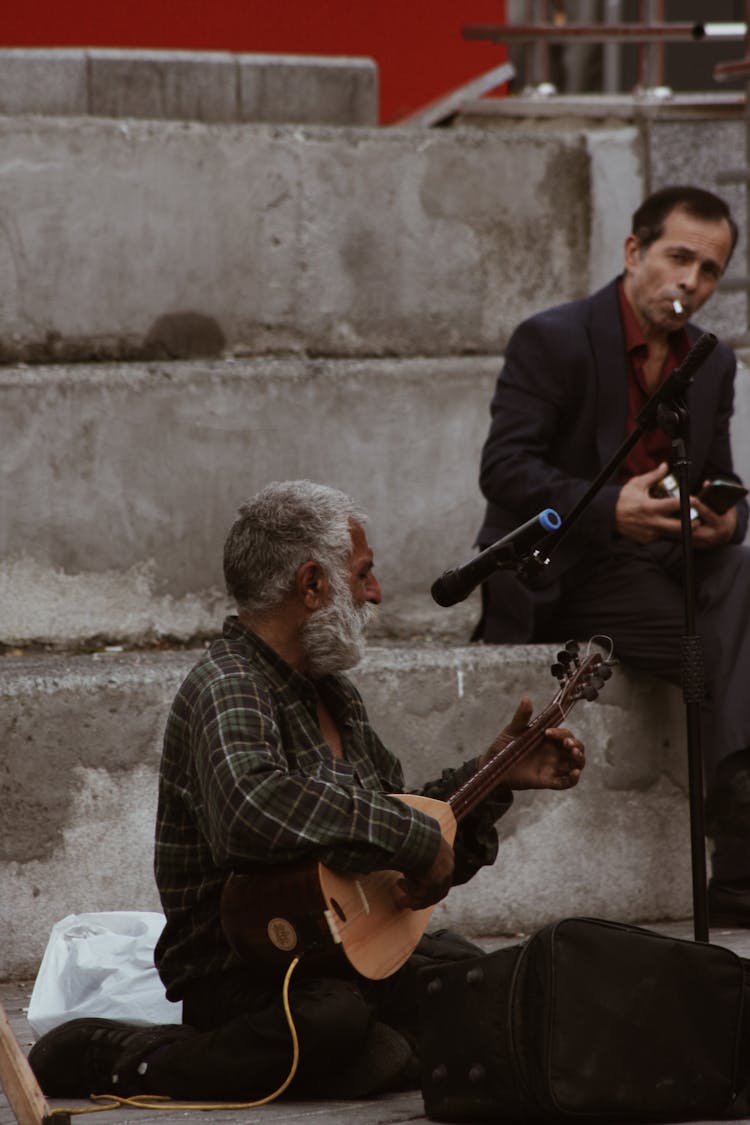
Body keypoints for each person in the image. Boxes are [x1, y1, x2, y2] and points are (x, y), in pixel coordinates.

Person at [29, 480, 585, 1103]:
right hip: (245, 972)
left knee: (469, 977)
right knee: (335, 1023)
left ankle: (375, 1055)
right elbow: (252, 810)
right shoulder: (228, 685)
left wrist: (496, 773)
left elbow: (393, 838)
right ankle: (127, 1056)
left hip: (333, 954)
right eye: (364, 575)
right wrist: (408, 838)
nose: (374, 594)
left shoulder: (332, 692)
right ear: (314, 584)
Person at [474, 184, 750, 927]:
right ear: (634, 252)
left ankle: (740, 824)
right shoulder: (554, 338)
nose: (691, 281)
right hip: (569, 569)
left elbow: (720, 476)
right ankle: (740, 843)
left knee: (744, 573)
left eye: (711, 270)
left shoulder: (711, 364)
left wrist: (726, 518)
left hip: (663, 562)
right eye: (679, 257)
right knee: (716, 638)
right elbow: (504, 469)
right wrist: (608, 506)